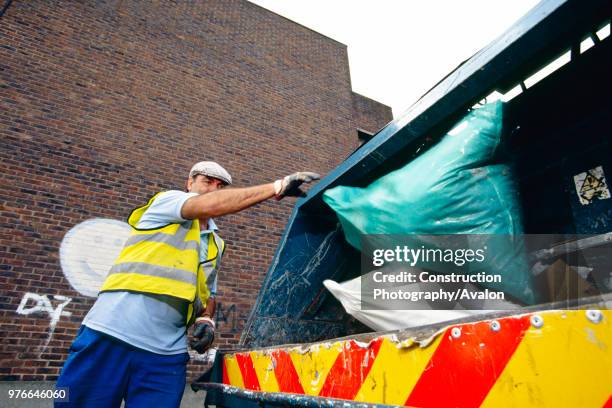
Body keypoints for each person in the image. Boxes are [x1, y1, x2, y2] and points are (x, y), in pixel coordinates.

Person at [55, 161, 320, 408]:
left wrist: (207, 320)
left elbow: (208, 293)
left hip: (165, 355)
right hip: (110, 335)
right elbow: (208, 205)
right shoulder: (166, 203)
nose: (213, 188)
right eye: (207, 181)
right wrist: (276, 187)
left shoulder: (216, 244)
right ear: (189, 183)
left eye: (220, 186)